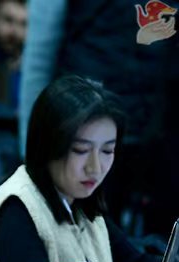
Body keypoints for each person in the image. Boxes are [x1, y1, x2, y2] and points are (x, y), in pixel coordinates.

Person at [0, 75, 179, 262]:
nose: (95, 167)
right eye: (81, 150)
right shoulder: (16, 208)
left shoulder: (80, 200)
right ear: (48, 145)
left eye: (107, 150)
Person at [19, 0, 179, 236]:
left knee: (156, 245)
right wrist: (32, 148)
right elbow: (39, 57)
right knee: (78, 239)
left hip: (158, 134)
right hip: (82, 134)